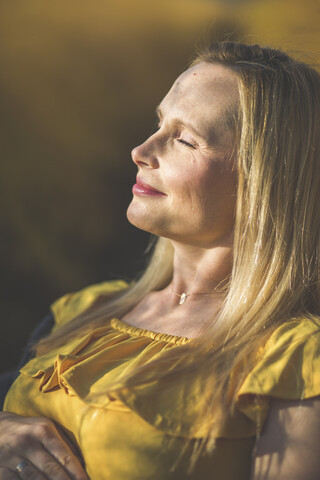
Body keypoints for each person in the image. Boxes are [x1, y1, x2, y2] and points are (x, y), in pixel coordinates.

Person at [1, 41, 320, 480]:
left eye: (186, 139)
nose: (142, 150)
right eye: (158, 122)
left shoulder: (297, 358)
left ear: (265, 183)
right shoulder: (80, 311)